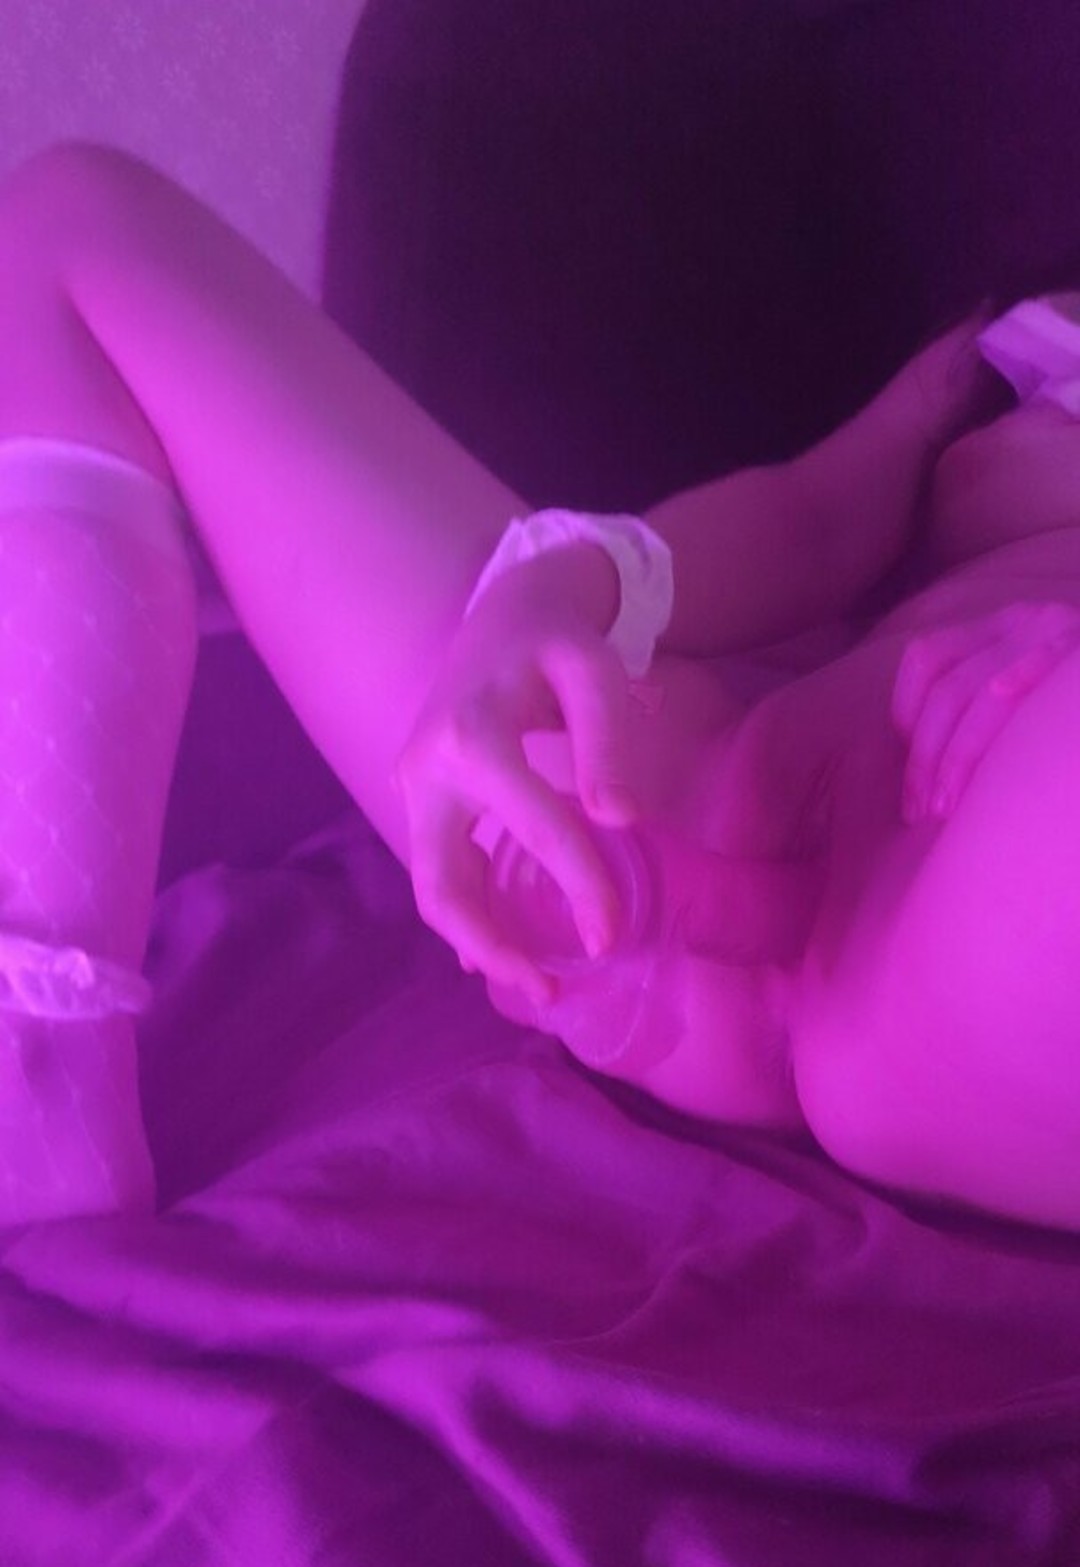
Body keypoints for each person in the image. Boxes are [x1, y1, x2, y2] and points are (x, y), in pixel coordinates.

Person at [0, 142, 1077, 1232]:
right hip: (691, 826)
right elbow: (817, 518)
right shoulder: (1029, 340)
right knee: (67, 225)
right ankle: (42, 1089)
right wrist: (557, 589)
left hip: (977, 902)